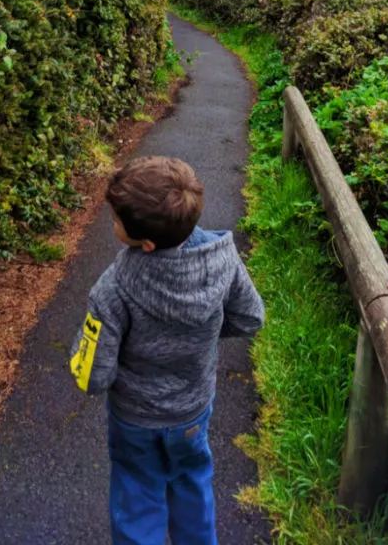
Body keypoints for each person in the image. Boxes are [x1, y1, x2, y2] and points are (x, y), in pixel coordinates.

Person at [69, 155, 265, 545]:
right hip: (193, 409)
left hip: (135, 420)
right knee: (192, 482)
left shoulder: (114, 288)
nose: (112, 224)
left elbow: (93, 375)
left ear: (146, 243)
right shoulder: (224, 259)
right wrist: (202, 336)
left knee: (137, 491)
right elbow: (250, 318)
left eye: (116, 221)